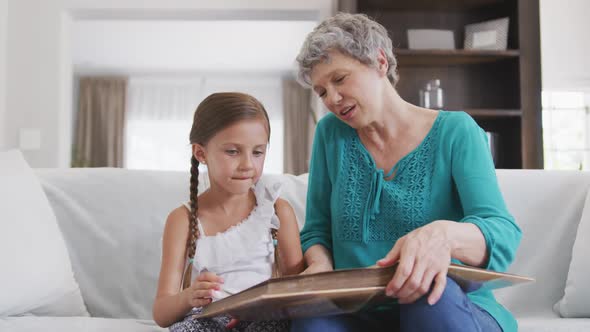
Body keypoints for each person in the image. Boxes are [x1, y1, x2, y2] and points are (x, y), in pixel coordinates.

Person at [292, 13, 522, 332]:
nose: (331, 99)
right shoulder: (330, 134)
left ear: (380, 62)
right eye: (321, 92)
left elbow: (502, 231)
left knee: (428, 300)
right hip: (357, 309)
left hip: (444, 301)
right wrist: (319, 265)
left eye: (340, 79)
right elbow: (317, 230)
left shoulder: (456, 131)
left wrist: (442, 235)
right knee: (311, 323)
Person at [153, 92, 304, 331]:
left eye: (257, 152)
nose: (247, 164)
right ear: (201, 153)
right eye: (232, 151)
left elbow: (300, 289)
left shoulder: (277, 211)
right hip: (207, 317)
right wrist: (188, 296)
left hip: (264, 316)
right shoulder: (182, 220)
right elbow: (161, 312)